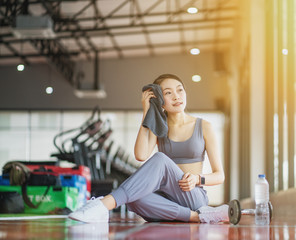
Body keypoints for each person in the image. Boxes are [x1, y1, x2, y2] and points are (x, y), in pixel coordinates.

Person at [69, 74, 229, 223]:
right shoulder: (160, 127)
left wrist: (196, 179)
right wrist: (147, 112)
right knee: (133, 197)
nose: (176, 96)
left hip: (193, 196)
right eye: (168, 93)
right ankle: (195, 217)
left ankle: (102, 205)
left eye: (180, 90)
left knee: (160, 159)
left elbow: (219, 176)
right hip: (165, 198)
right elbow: (141, 155)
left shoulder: (204, 126)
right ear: (159, 99)